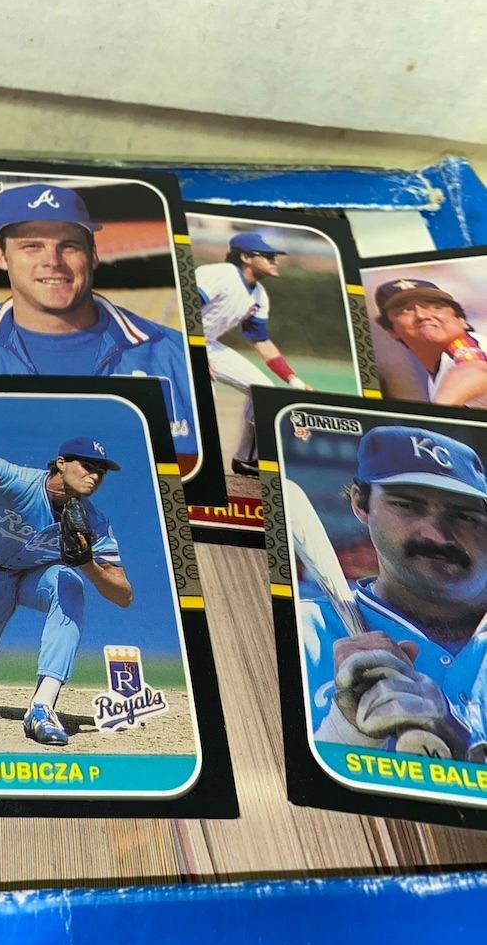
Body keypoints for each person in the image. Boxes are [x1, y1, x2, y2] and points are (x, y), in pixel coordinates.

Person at [0, 183, 196, 458]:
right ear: (1, 257)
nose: (53, 261)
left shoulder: (178, 354)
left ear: (93, 255)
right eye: (32, 246)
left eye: (69, 246)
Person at [0, 426, 133, 747]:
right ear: (61, 463)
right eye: (87, 466)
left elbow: (123, 595)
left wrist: (88, 564)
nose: (95, 476)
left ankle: (42, 707)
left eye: (101, 471)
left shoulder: (93, 521)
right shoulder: (15, 481)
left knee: (70, 584)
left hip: (33, 576)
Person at [301, 425, 487, 759]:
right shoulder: (303, 632)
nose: (437, 534)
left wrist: (458, 737)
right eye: (407, 505)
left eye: (463, 516)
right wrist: (346, 732)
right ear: (361, 503)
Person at [196, 230, 313, 477]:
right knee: (202, 394)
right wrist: (195, 355)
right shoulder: (219, 275)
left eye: (275, 256)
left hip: (207, 344)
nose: (275, 260)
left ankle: (247, 459)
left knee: (263, 392)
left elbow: (260, 340)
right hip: (174, 338)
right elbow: (182, 310)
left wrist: (295, 381)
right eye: (268, 256)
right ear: (246, 257)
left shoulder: (259, 294)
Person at [373, 278, 487, 408]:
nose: (422, 315)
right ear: (392, 331)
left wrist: (435, 412)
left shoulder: (466, 345)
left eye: (436, 307)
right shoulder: (437, 376)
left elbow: (476, 369)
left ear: (462, 320)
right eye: (405, 310)